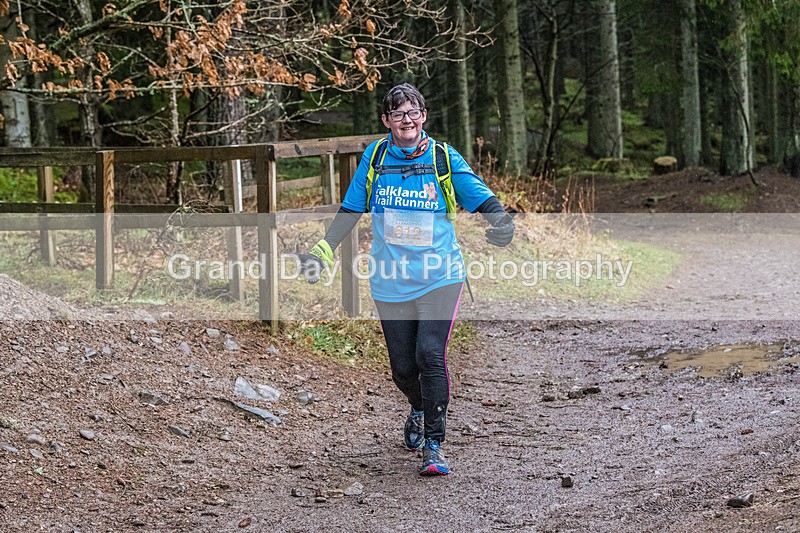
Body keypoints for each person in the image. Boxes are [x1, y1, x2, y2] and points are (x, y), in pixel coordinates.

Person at [298, 83, 515, 476]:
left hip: (439, 276)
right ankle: (418, 406)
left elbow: (479, 196)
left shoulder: (441, 158)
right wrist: (323, 250)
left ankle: (434, 445)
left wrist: (500, 222)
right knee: (402, 368)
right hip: (390, 278)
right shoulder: (376, 158)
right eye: (398, 114)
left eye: (413, 112)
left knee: (429, 355)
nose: (407, 120)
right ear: (386, 121)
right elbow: (350, 209)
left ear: (424, 117)